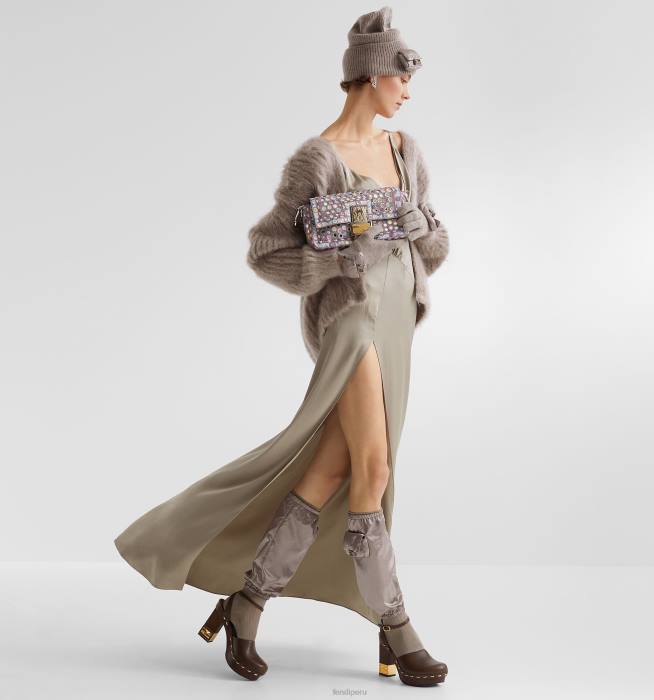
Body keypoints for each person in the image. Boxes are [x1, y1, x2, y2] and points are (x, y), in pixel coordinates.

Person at [113, 5, 449, 688]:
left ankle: (247, 601)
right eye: (402, 77)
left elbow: (432, 248)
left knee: (331, 471)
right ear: (372, 75)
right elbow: (267, 250)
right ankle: (395, 624)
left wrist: (423, 229)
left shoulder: (406, 151)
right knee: (375, 470)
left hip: (396, 324)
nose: (408, 92)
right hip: (351, 322)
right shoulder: (317, 159)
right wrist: (337, 261)